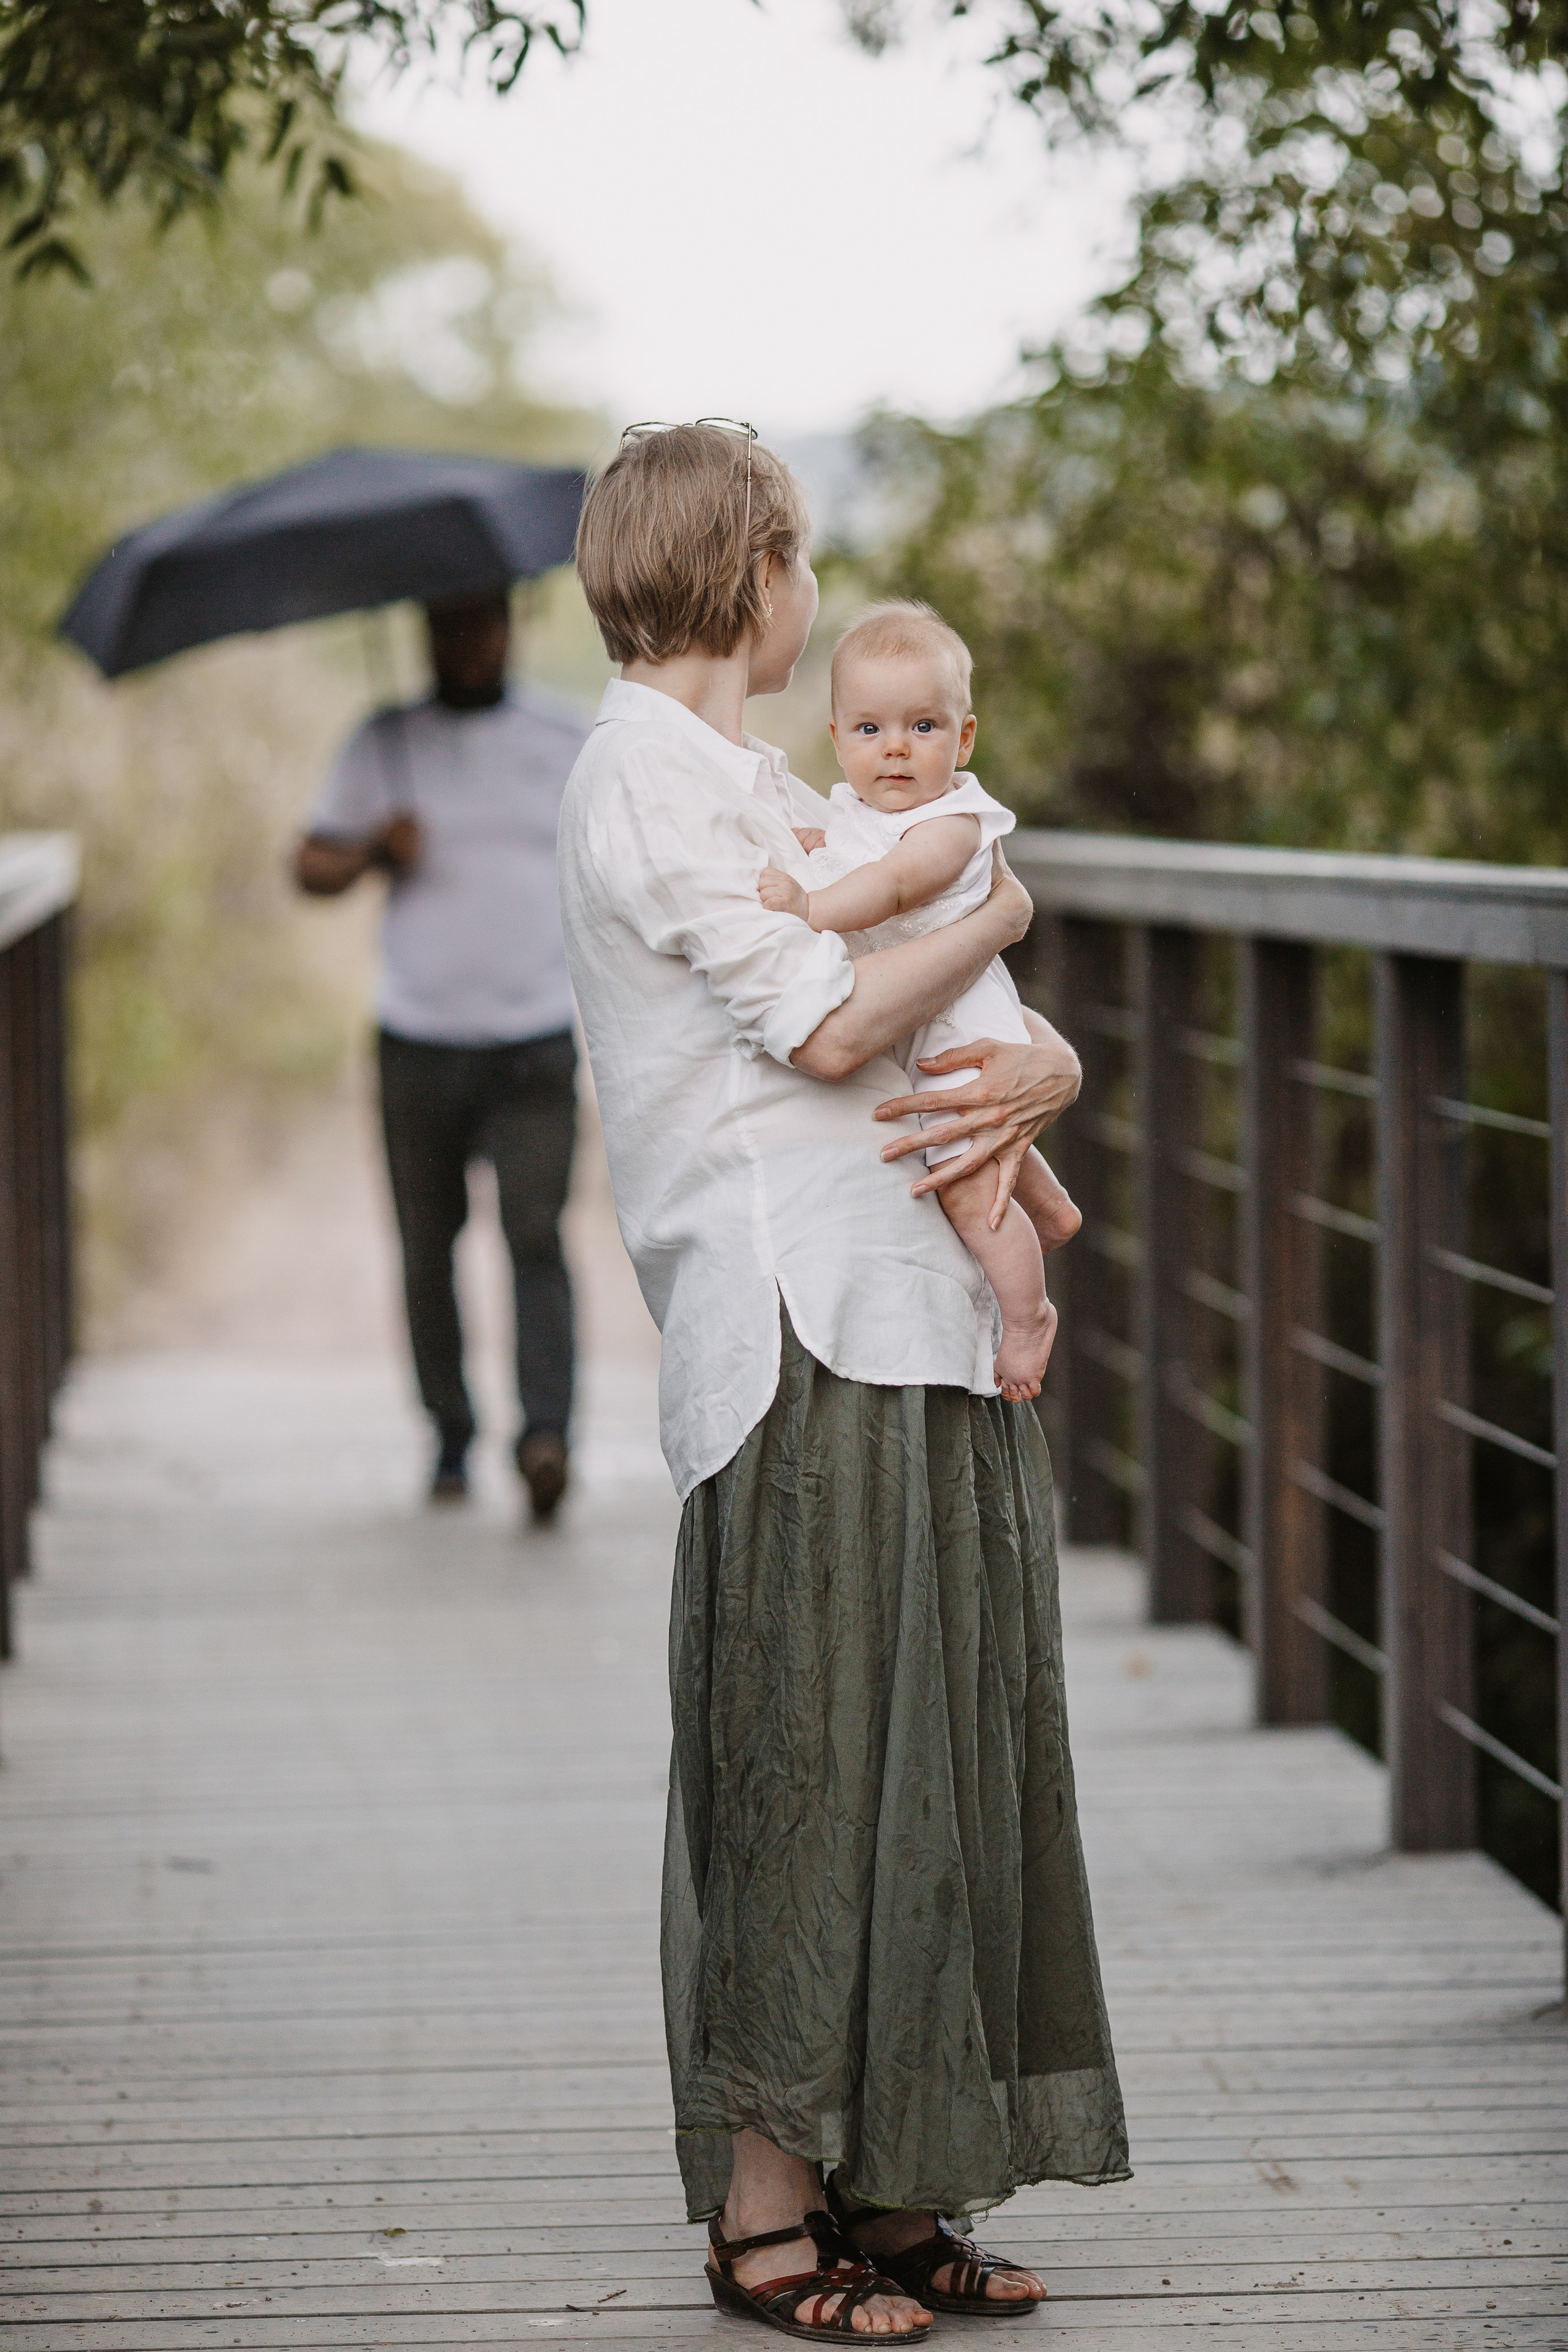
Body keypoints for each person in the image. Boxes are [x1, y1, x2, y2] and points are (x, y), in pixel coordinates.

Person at [559, 422, 1128, 2342]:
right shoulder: (648, 780)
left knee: (935, 1753)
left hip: (911, 1317)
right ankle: (764, 2217)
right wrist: (1009, 917)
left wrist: (1023, 1041)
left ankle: (895, 2187)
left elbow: (926, 989)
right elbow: (823, 1024)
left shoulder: (750, 776)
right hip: (798, 1333)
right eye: (802, 558)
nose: (812, 591)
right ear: (757, 573)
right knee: (811, 1769)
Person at [293, 590, 586, 1521]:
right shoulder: (384, 741)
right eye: (449, 623)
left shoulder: (563, 738)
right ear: (423, 630)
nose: (468, 639)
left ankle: (546, 1439)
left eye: (483, 620)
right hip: (418, 1036)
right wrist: (377, 848)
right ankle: (450, 1435)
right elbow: (307, 866)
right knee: (429, 1247)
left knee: (536, 1237)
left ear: (512, 622)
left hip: (536, 1032)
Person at [758, 597, 1077, 1404]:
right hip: (920, 1016)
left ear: (963, 739)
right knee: (984, 1140)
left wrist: (809, 905)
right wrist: (806, 852)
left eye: (923, 728)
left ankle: (1028, 1313)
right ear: (837, 739)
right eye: (869, 730)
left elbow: (890, 885)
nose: (895, 749)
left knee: (970, 1175)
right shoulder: (857, 815)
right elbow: (846, 854)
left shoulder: (955, 824)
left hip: (956, 1023)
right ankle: (1052, 1210)